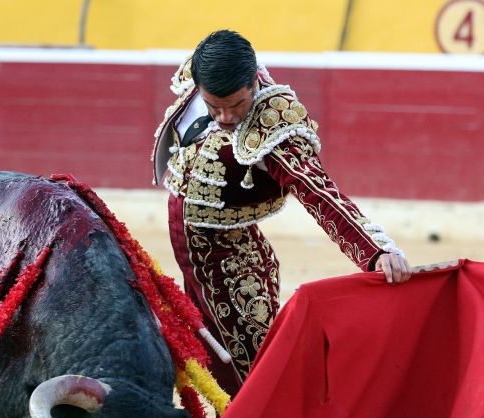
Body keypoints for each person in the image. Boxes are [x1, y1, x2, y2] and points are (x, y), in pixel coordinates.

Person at [152, 29, 412, 396]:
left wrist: (375, 251)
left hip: (229, 262)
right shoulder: (207, 72)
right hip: (200, 257)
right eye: (214, 106)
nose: (226, 116)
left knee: (254, 373)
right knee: (215, 355)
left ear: (253, 84)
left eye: (237, 104)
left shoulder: (275, 127)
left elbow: (319, 192)